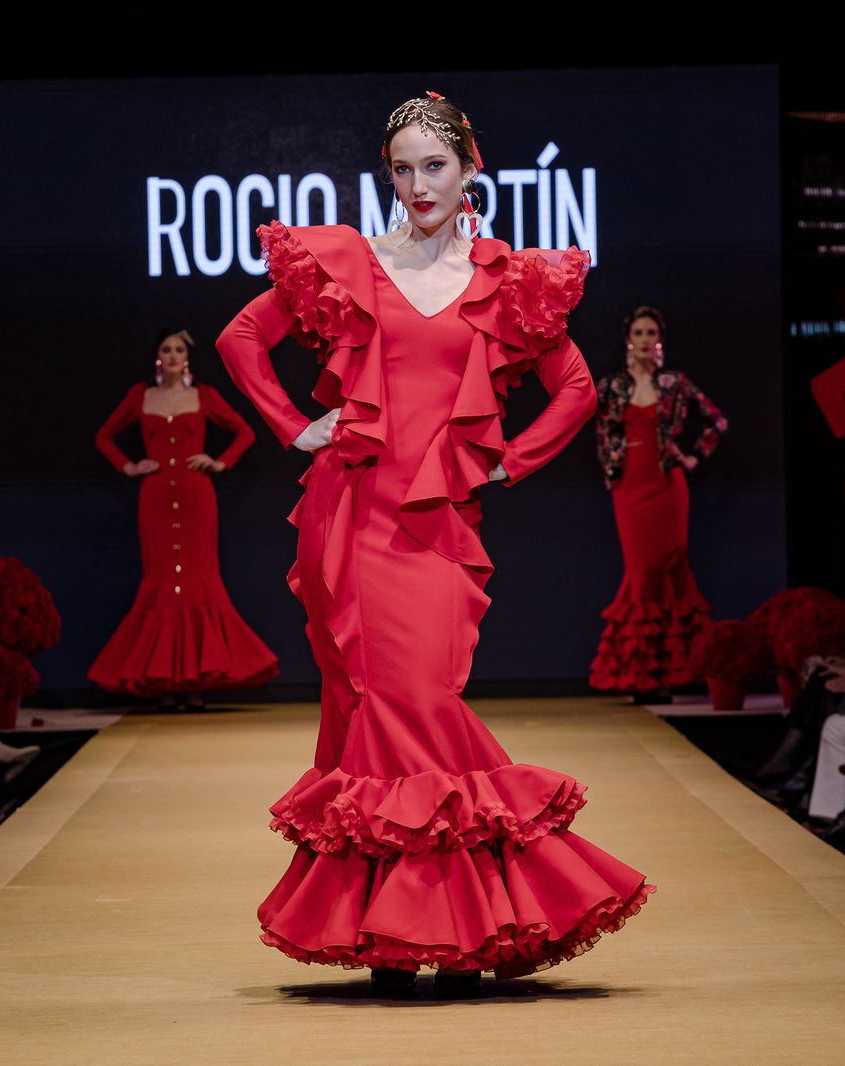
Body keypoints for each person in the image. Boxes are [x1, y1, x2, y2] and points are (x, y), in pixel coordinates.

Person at [215, 91, 653, 995]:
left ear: (469, 168)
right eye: (402, 168)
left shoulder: (505, 277)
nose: (417, 184)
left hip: (443, 527)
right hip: (357, 516)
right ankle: (425, 927)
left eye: (434, 166)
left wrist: (509, 463)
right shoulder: (351, 263)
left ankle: (426, 922)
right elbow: (241, 337)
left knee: (423, 700)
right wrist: (295, 427)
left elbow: (574, 387)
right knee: (388, 702)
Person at [89, 329, 280, 708]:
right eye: (166, 349)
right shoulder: (141, 397)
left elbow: (244, 432)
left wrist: (219, 461)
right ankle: (164, 681)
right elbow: (104, 436)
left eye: (179, 349)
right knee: (161, 580)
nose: (173, 355)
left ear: (187, 357)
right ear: (157, 356)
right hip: (156, 497)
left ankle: (195, 682)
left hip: (196, 497)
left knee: (198, 580)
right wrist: (129, 466)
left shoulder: (202, 396)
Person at [588, 305, 727, 701]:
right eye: (640, 332)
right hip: (630, 486)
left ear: (659, 339)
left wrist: (694, 456)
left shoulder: (675, 383)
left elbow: (717, 421)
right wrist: (611, 468)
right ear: (629, 339)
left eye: (652, 332)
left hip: (669, 484)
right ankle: (640, 675)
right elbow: (596, 431)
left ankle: (673, 675)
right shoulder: (611, 387)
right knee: (642, 570)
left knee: (672, 567)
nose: (646, 339)